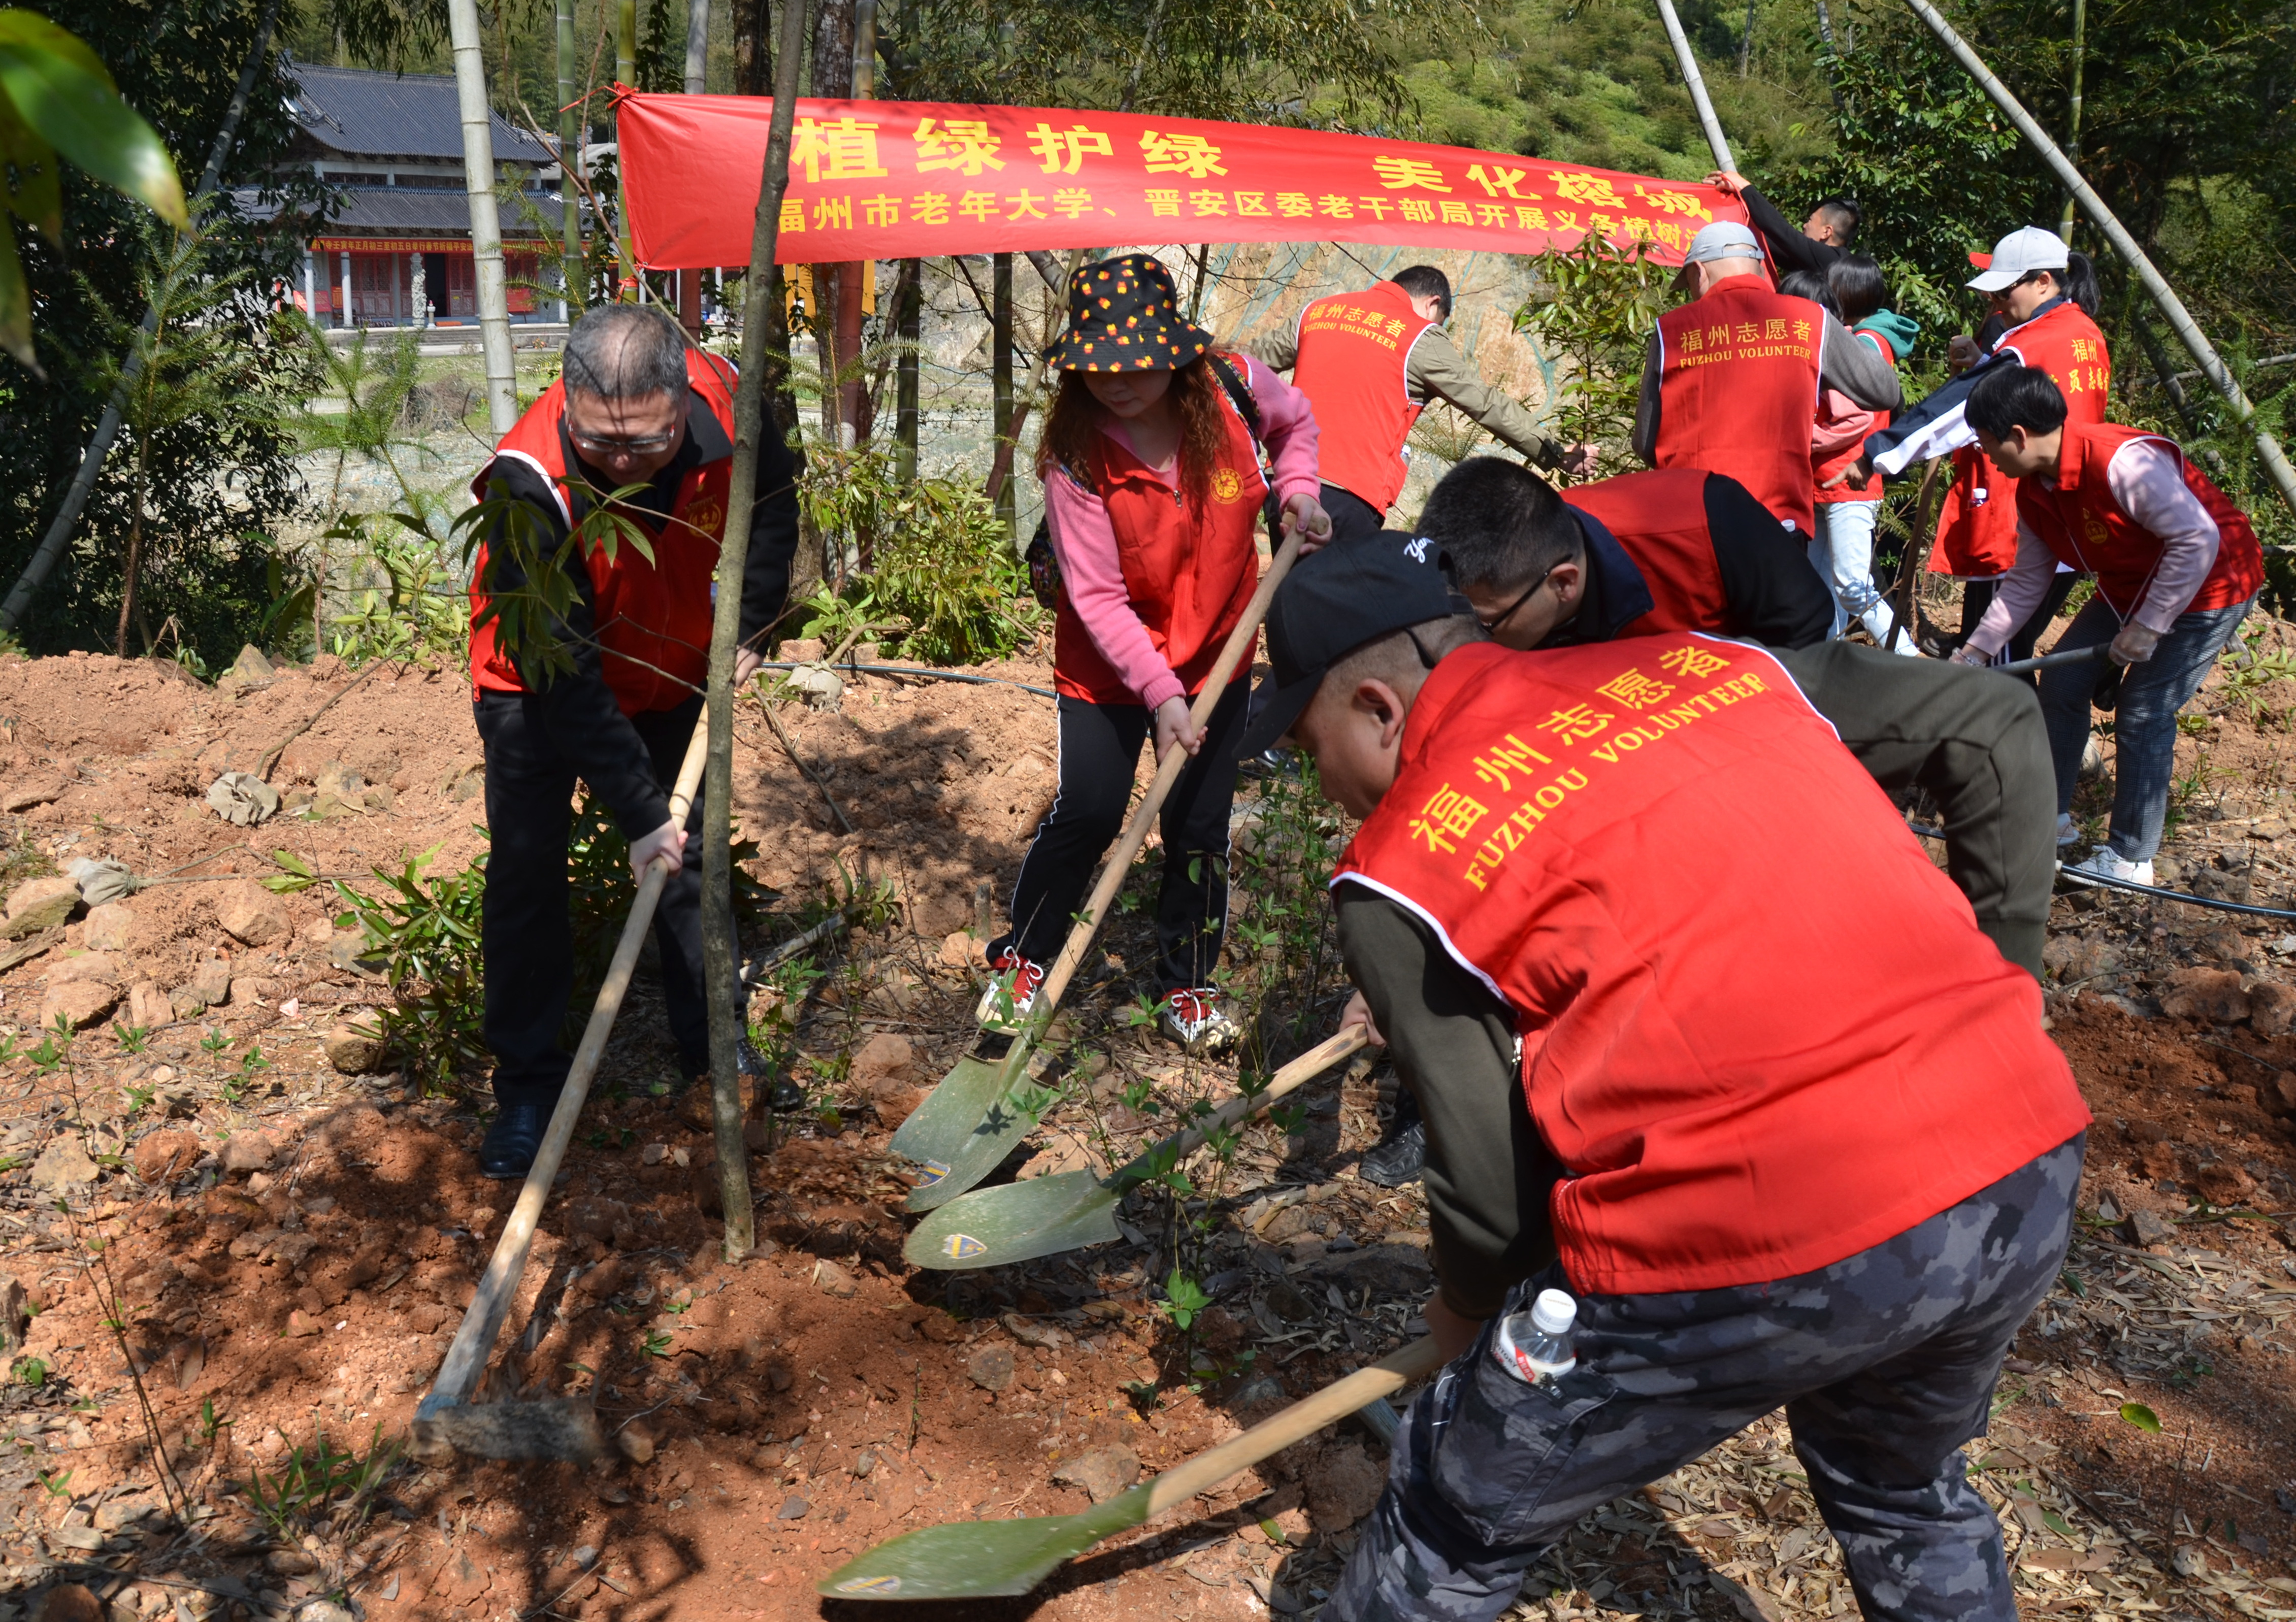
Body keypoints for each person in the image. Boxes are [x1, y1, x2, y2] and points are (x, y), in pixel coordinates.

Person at [1235, 537, 2089, 1622]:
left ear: (1372, 704)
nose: (1320, 787)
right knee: (1901, 1488)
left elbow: (1487, 1191)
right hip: (2017, 1148)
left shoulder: (1400, 859)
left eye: (1310, 748)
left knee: (1456, 1512)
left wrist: (1470, 1332)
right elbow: (1979, 721)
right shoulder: (1706, 665)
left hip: (1761, 1216)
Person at [466, 304, 802, 1179]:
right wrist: (642, 812)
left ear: (680, 400)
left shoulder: (729, 401)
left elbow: (773, 503)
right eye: (601, 442)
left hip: (675, 662)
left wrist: (754, 623)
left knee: (692, 865)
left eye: (645, 445)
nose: (621, 462)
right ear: (568, 400)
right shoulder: (526, 483)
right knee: (527, 873)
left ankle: (715, 1055)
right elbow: (564, 672)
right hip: (536, 683)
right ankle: (528, 1088)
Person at [981, 253, 1330, 1055]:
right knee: (1093, 811)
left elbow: (1297, 426)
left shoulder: (1232, 390)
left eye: (1135, 363)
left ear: (1173, 350)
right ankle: (1024, 959)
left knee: (1198, 824)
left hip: (1219, 646)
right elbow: (1097, 597)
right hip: (1109, 665)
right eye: (1098, 365)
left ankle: (1187, 981)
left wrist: (1298, 490)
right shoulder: (1074, 455)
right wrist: (1159, 693)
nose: (1117, 381)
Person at [1951, 366, 2264, 884]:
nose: (1984, 456)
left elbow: (2196, 540)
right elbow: (2028, 581)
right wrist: (1975, 652)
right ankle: (2046, 819)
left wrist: (2147, 628)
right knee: (2063, 681)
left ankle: (2130, 859)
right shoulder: (2033, 488)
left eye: (1985, 444)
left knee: (2143, 711)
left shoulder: (2121, 464)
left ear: (2018, 436)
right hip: (2130, 586)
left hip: (2211, 584)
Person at [1865, 227, 2111, 664]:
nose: (1996, 305)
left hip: (2017, 517)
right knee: (2012, 655)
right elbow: (2041, 394)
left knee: (1996, 662)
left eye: (2004, 291)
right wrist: (1985, 363)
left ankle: (2020, 733)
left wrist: (1878, 453)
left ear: (2043, 281)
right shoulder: (2084, 331)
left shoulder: (2031, 342)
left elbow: (1961, 407)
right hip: (2069, 514)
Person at [1252, 264, 1586, 546]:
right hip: (1350, 493)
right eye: (1439, 320)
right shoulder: (1420, 336)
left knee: (1293, 598)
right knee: (1339, 612)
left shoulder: (1318, 310)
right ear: (1433, 304)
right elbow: (1485, 403)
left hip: (1286, 482)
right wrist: (1556, 452)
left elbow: (1248, 364)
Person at [1632, 221, 1901, 539]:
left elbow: (1646, 442)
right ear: (1761, 268)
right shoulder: (1810, 320)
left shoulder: (1671, 331)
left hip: (1691, 522)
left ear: (1698, 272)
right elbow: (1884, 391)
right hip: (1779, 523)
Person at [1782, 259, 1923, 651]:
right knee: (1825, 583)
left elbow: (1855, 417)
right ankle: (1831, 661)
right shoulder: (1863, 339)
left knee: (1851, 585)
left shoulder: (1857, 344)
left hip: (1848, 480)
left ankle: (1910, 661)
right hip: (1830, 482)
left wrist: (1799, 438)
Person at [1704, 168, 1861, 278]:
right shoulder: (1810, 262)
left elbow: (1780, 231)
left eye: (1810, 221)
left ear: (1827, 232)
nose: (1805, 226)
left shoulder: (1835, 261)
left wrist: (1743, 187)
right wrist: (1725, 203)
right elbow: (1763, 239)